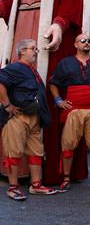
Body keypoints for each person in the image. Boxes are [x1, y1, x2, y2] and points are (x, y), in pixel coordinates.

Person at [0, 0, 87, 184]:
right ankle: (13, 164)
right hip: (22, 27)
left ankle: (43, 169)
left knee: (42, 90)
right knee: (15, 87)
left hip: (48, 33)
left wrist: (60, 24)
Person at [49, 34, 90, 192]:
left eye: (89, 40)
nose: (86, 43)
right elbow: (53, 83)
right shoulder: (66, 63)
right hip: (73, 111)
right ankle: (66, 178)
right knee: (68, 143)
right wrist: (58, 101)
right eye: (83, 40)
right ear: (75, 44)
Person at [0, 39, 56, 200]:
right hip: (18, 117)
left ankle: (36, 185)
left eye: (36, 49)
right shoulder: (15, 67)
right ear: (22, 51)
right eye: (33, 48)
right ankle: (13, 187)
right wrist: (7, 106)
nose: (36, 51)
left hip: (34, 118)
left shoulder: (32, 71)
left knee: (36, 152)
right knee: (14, 152)